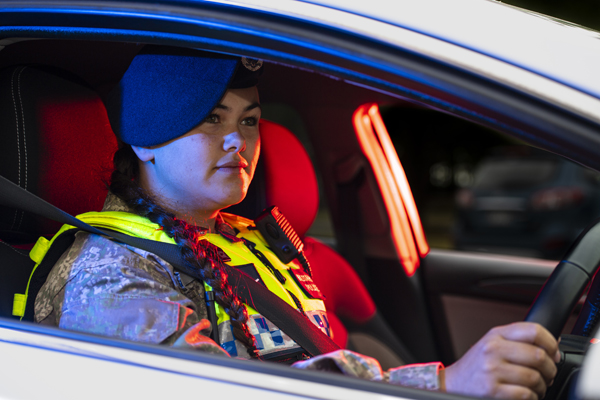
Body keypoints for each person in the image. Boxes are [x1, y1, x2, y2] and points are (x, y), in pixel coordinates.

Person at [34, 46, 560, 398]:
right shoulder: (109, 271)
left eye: (250, 120)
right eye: (211, 118)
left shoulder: (253, 241)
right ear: (147, 141)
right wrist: (443, 385)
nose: (239, 139)